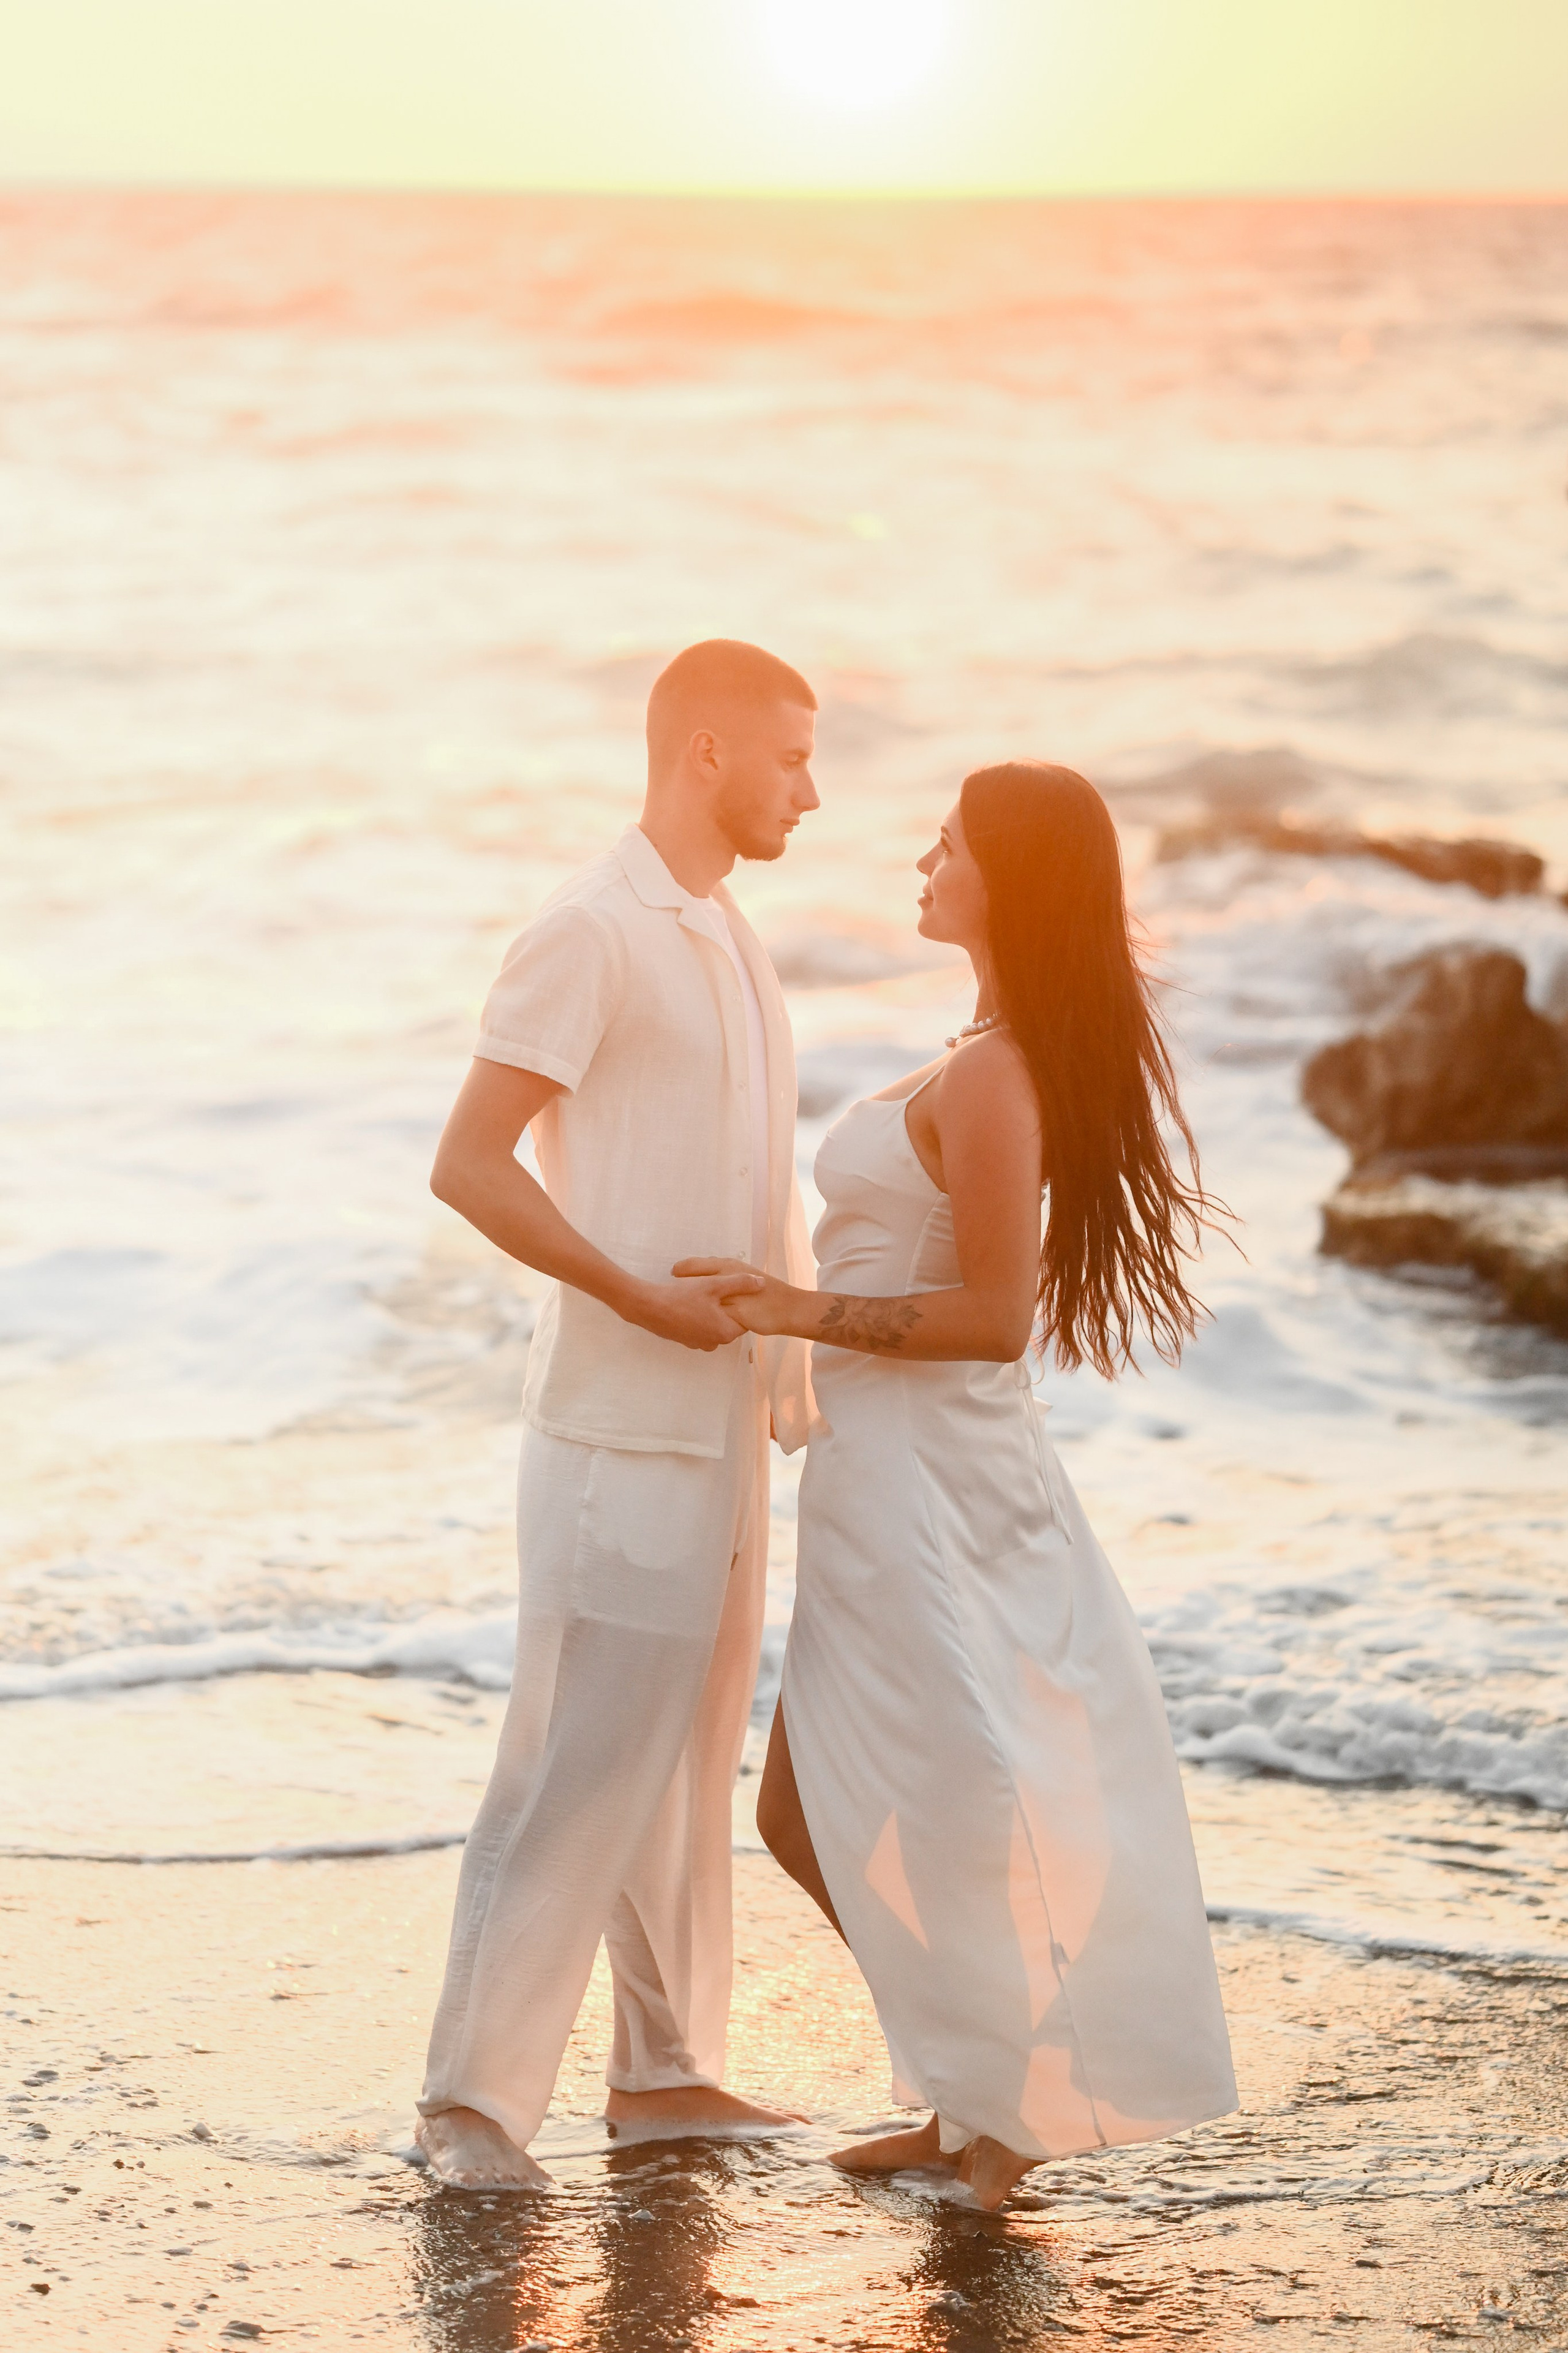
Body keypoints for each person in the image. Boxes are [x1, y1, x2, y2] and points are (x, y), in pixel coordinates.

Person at [682, 761, 1238, 2211]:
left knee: (899, 1804)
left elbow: (995, 1317)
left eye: (947, 845)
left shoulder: (995, 1075)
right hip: (881, 1482)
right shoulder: (978, 1048)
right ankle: (972, 2095)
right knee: (816, 1812)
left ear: (1011, 877)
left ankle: (995, 2116)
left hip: (936, 1490)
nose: (920, 863)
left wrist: (784, 1309)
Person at [415, 639, 821, 2188]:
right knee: (574, 1755)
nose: (810, 787)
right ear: (704, 751)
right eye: (789, 757)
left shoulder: (726, 929)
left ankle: (662, 2075)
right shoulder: (589, 930)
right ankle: (470, 2104)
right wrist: (632, 1295)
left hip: (720, 1428)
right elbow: (470, 1163)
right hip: (612, 1426)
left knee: (681, 1751)